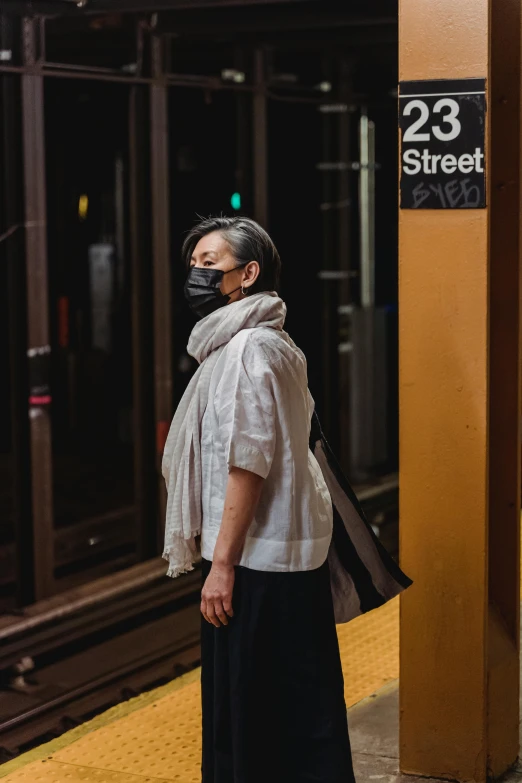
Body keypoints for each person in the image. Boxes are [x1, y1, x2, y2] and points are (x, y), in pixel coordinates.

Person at [162, 216, 410, 783]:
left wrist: (220, 566)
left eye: (209, 263)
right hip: (293, 559)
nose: (197, 275)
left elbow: (245, 463)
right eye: (194, 264)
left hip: (258, 561)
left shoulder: (247, 349)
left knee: (249, 716)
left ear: (247, 273)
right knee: (304, 707)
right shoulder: (274, 342)